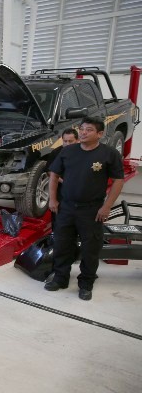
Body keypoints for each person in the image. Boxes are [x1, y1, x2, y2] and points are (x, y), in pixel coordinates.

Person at [45, 117, 124, 301]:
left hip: (92, 210)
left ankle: (86, 283)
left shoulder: (109, 154)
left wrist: (107, 206)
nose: (83, 132)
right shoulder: (68, 151)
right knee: (62, 244)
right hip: (66, 208)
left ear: (100, 134)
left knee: (90, 248)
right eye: (81, 129)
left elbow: (118, 181)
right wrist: (53, 199)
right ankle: (60, 278)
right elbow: (54, 174)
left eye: (88, 130)